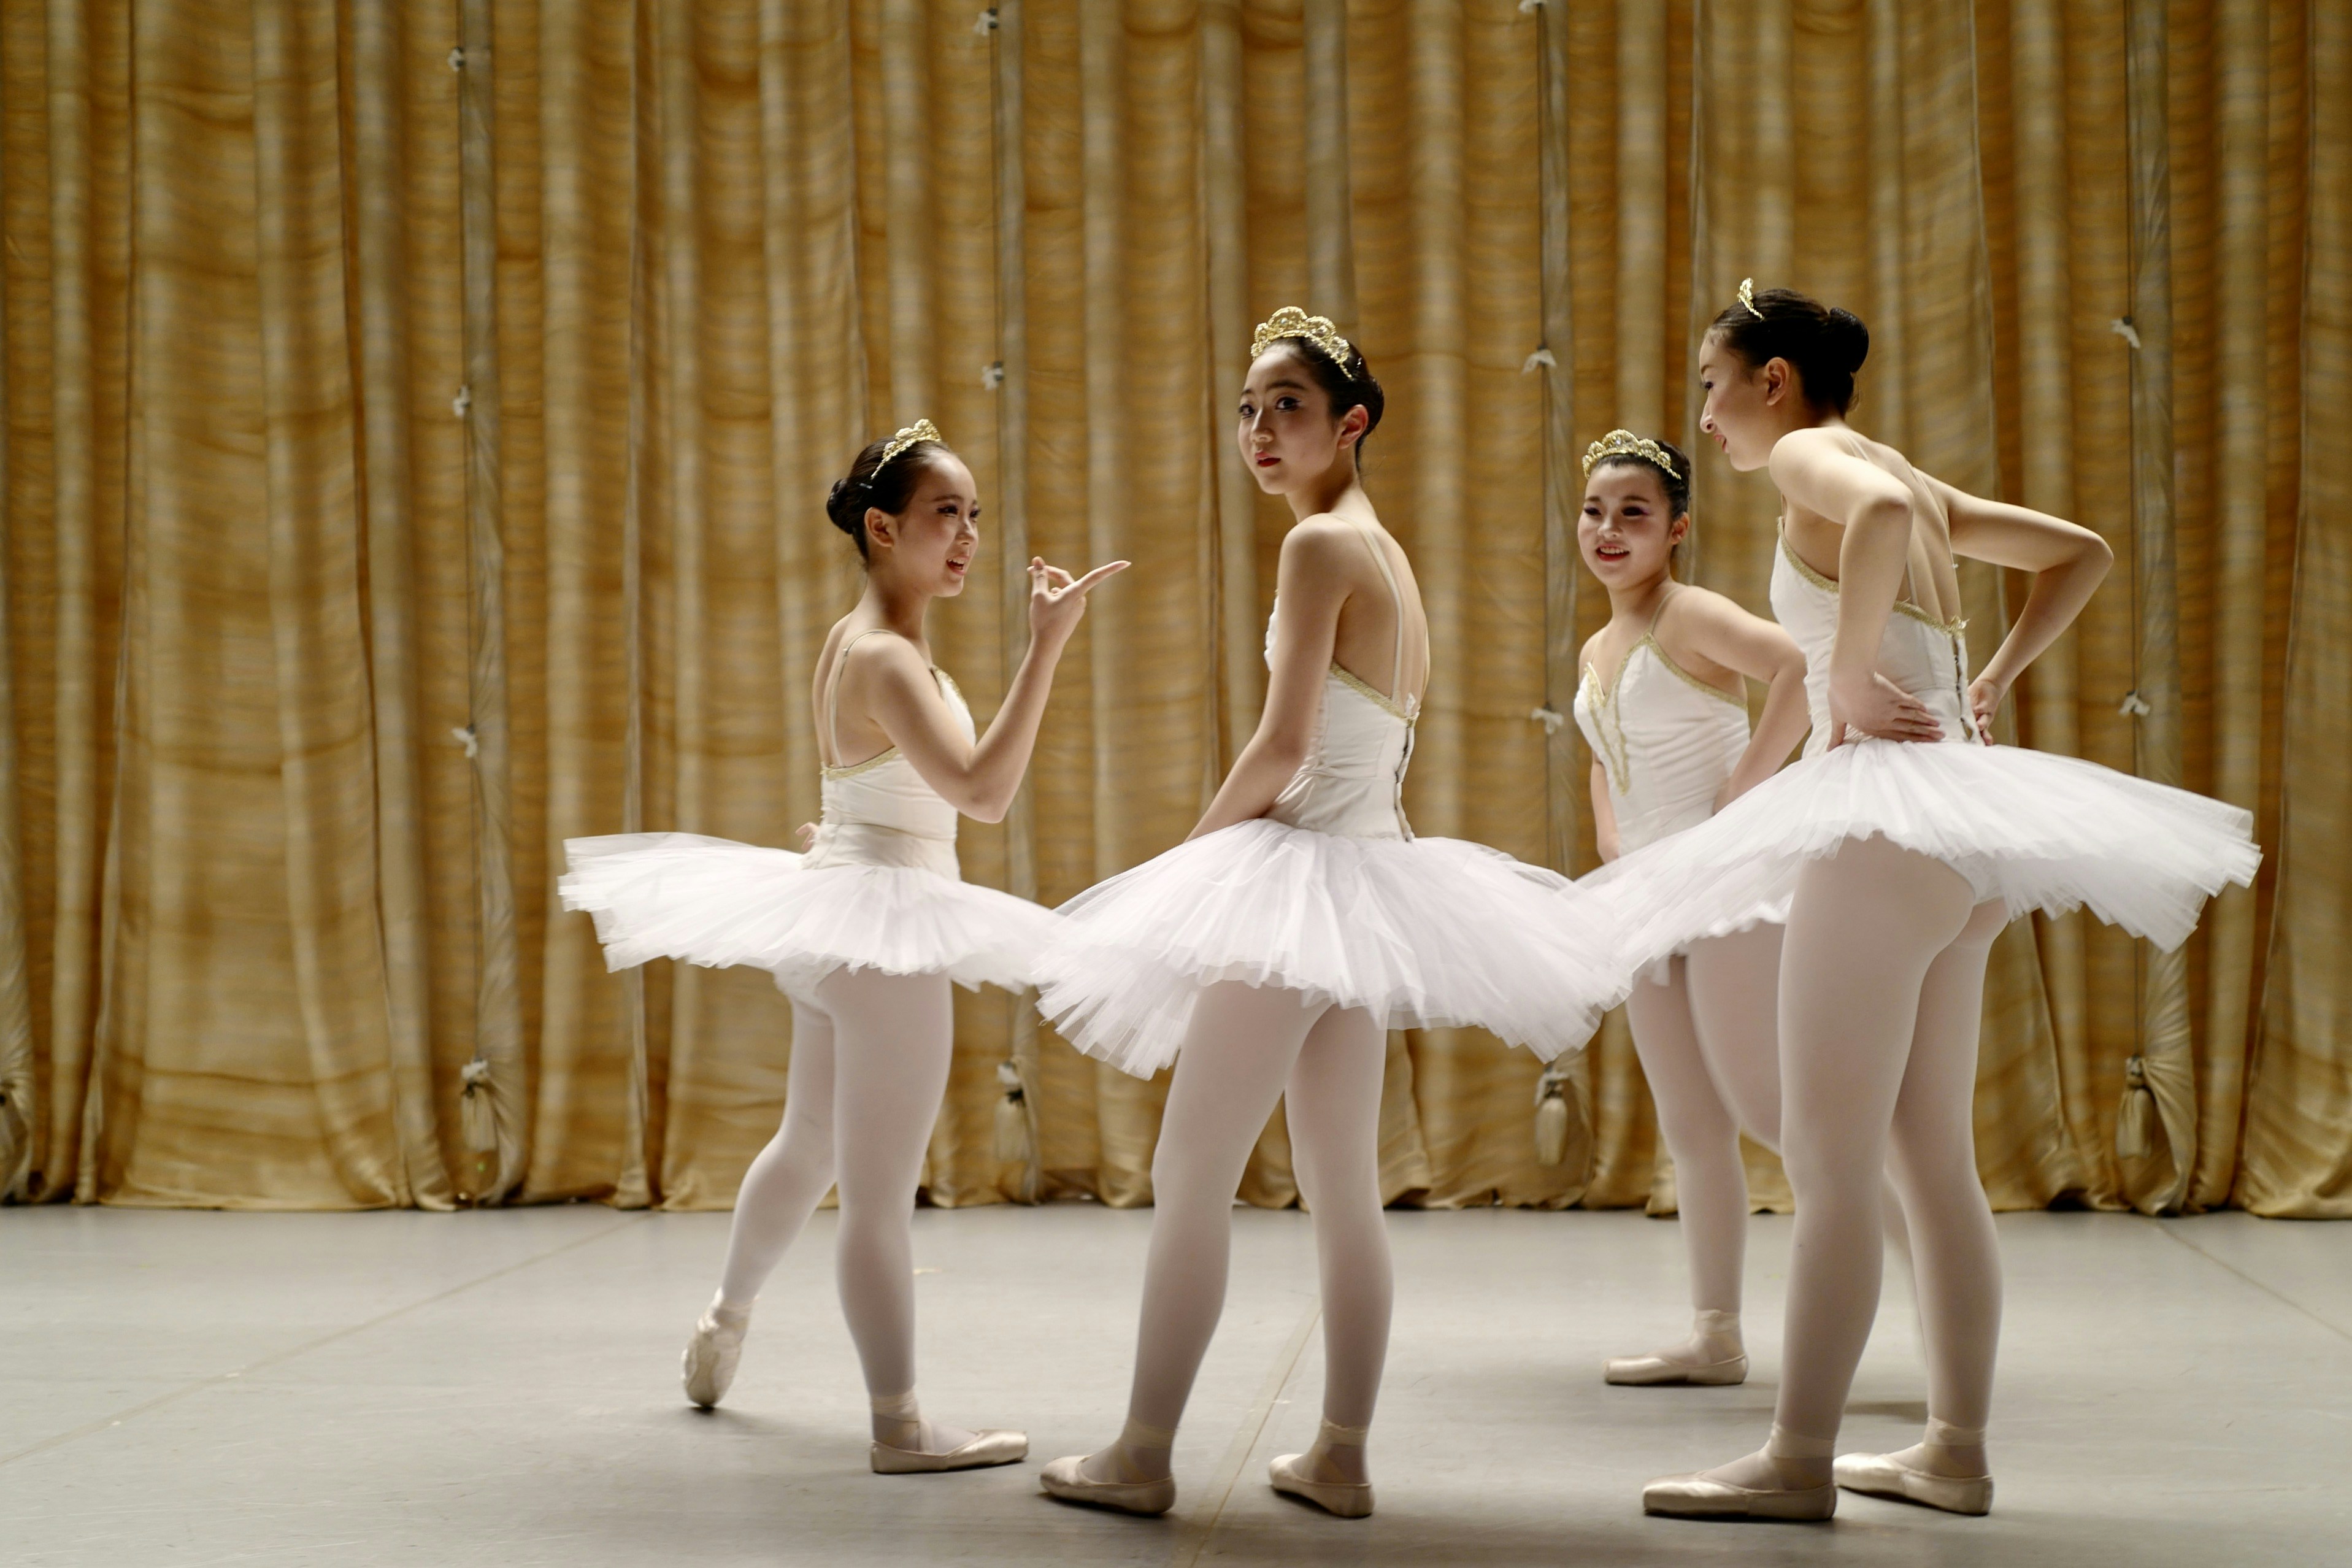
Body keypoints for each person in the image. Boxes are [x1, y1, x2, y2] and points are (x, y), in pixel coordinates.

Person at [1614, 285, 2258, 1522]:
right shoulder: (1896, 465)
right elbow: (2083, 553)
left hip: (1881, 826)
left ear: (1774, 381)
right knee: (1929, 1159)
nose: (1707, 410)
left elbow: (1890, 518)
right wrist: (1997, 673)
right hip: (1961, 841)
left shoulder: (1814, 455)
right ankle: (1954, 1450)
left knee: (1830, 1160)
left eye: (1713, 381)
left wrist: (1845, 669)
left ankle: (1798, 1459)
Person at [1032, 309, 1630, 1521]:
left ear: (1351, 422)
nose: (1258, 430)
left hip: (1306, 873)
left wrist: (1187, 864)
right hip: (1369, 876)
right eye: (1248, 408)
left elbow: (1285, 746)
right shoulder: (1384, 551)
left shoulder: (1318, 551)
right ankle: (1342, 1454)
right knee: (1344, 1185)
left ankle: (1143, 1454)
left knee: (1192, 1168)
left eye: (1287, 406)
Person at [559, 420, 1124, 1475]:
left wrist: (853, 838)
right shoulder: (889, 660)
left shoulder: (850, 641)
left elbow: (865, 787)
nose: (965, 537)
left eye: (972, 516)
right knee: (874, 1193)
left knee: (809, 1141)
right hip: (880, 936)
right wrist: (1048, 646)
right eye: (942, 515)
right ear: (880, 527)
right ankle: (898, 1425)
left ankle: (725, 1319)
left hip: (838, 915)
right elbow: (985, 795)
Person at [1569, 429, 1812, 1388]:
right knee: (1690, 1122)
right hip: (1645, 890)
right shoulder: (1597, 641)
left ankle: (1932, 1285)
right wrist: (1606, 840)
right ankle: (1715, 1336)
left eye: (1633, 512)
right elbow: (1600, 751)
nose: (1608, 529)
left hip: (1724, 884)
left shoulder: (1689, 613)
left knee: (1771, 1109)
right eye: (1594, 510)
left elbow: (1797, 671)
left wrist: (1743, 792)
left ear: (1676, 530)